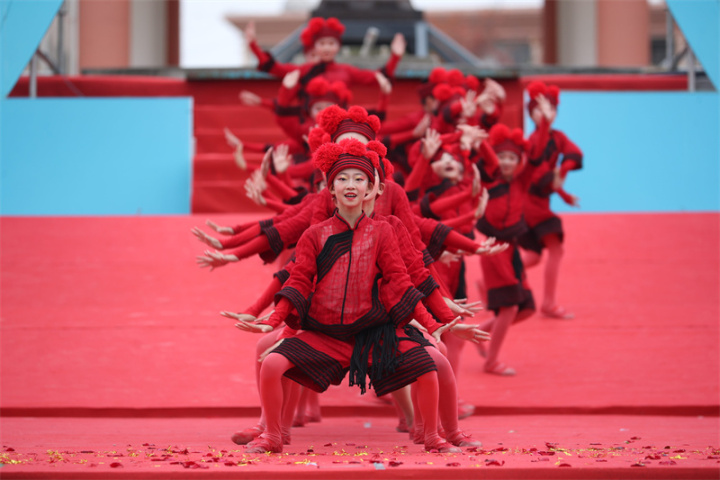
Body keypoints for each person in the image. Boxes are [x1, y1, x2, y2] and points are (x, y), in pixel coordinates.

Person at [232, 138, 470, 454]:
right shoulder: (314, 235)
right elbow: (298, 282)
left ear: (372, 189)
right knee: (272, 362)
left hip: (375, 333)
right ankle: (273, 436)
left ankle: (435, 436)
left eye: (359, 179)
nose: (351, 184)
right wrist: (272, 320)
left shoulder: (384, 231)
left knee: (431, 363)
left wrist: (440, 322)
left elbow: (402, 283)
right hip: (327, 334)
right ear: (330, 189)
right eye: (342, 179)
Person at [520, 80, 582, 320]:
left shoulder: (558, 137)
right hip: (531, 204)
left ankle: (495, 280)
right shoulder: (534, 141)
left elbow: (574, 154)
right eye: (539, 109)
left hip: (539, 203)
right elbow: (538, 175)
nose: (547, 113)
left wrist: (563, 173)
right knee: (556, 249)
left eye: (551, 109)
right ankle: (548, 303)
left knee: (534, 257)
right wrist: (560, 187)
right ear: (531, 113)